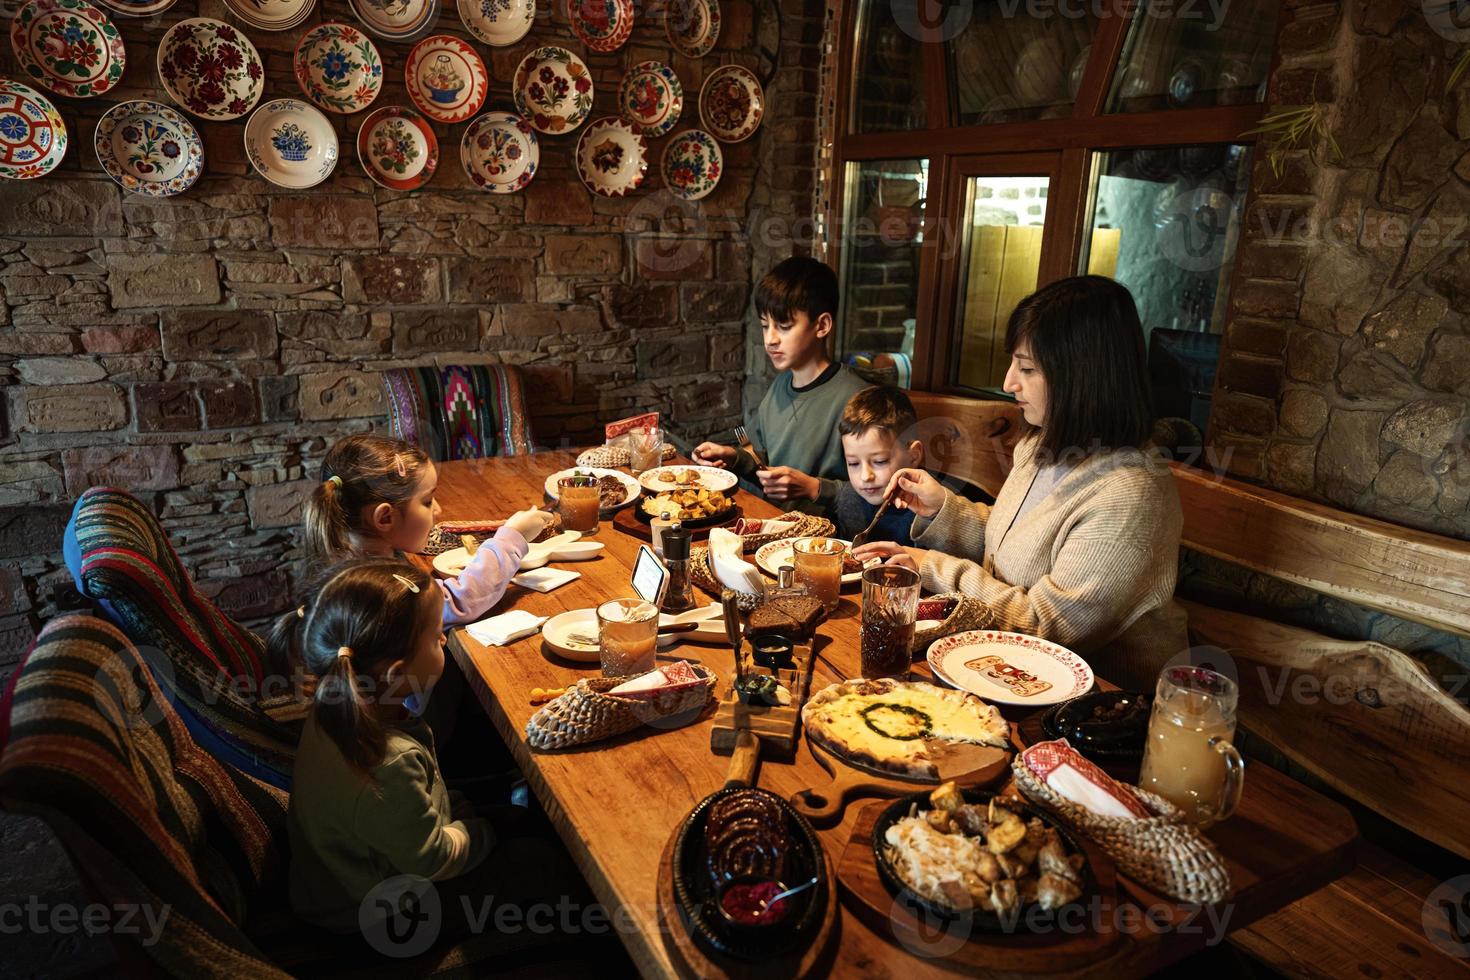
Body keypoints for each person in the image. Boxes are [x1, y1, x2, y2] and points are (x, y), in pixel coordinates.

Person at [854, 276, 1189, 686]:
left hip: (1104, 708)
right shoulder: (1044, 444)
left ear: (1082, 375)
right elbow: (1015, 546)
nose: (1009, 382)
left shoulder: (1130, 494)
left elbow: (1045, 627)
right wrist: (944, 508)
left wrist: (931, 568)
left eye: (1027, 368)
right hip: (1007, 670)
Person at [272, 560, 592, 944]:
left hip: (369, 869)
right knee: (536, 864)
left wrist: (465, 817)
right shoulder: (387, 761)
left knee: (518, 820)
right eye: (437, 635)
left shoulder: (336, 704)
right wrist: (481, 830)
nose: (444, 641)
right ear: (395, 673)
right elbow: (432, 859)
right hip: (379, 914)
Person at [303, 434, 552, 626]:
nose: (438, 510)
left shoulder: (349, 564)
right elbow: (456, 602)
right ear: (385, 517)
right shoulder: (379, 591)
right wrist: (511, 538)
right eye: (427, 501)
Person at [693, 256, 868, 515]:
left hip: (823, 543)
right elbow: (761, 462)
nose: (771, 339)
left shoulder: (856, 399)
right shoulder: (780, 386)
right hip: (773, 524)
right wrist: (733, 457)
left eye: (784, 326)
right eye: (766, 326)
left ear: (822, 325)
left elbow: (880, 496)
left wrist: (815, 488)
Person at [834, 385, 925, 547]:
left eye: (879, 461)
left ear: (913, 456)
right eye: (853, 463)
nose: (865, 476)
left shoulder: (927, 513)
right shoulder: (849, 499)